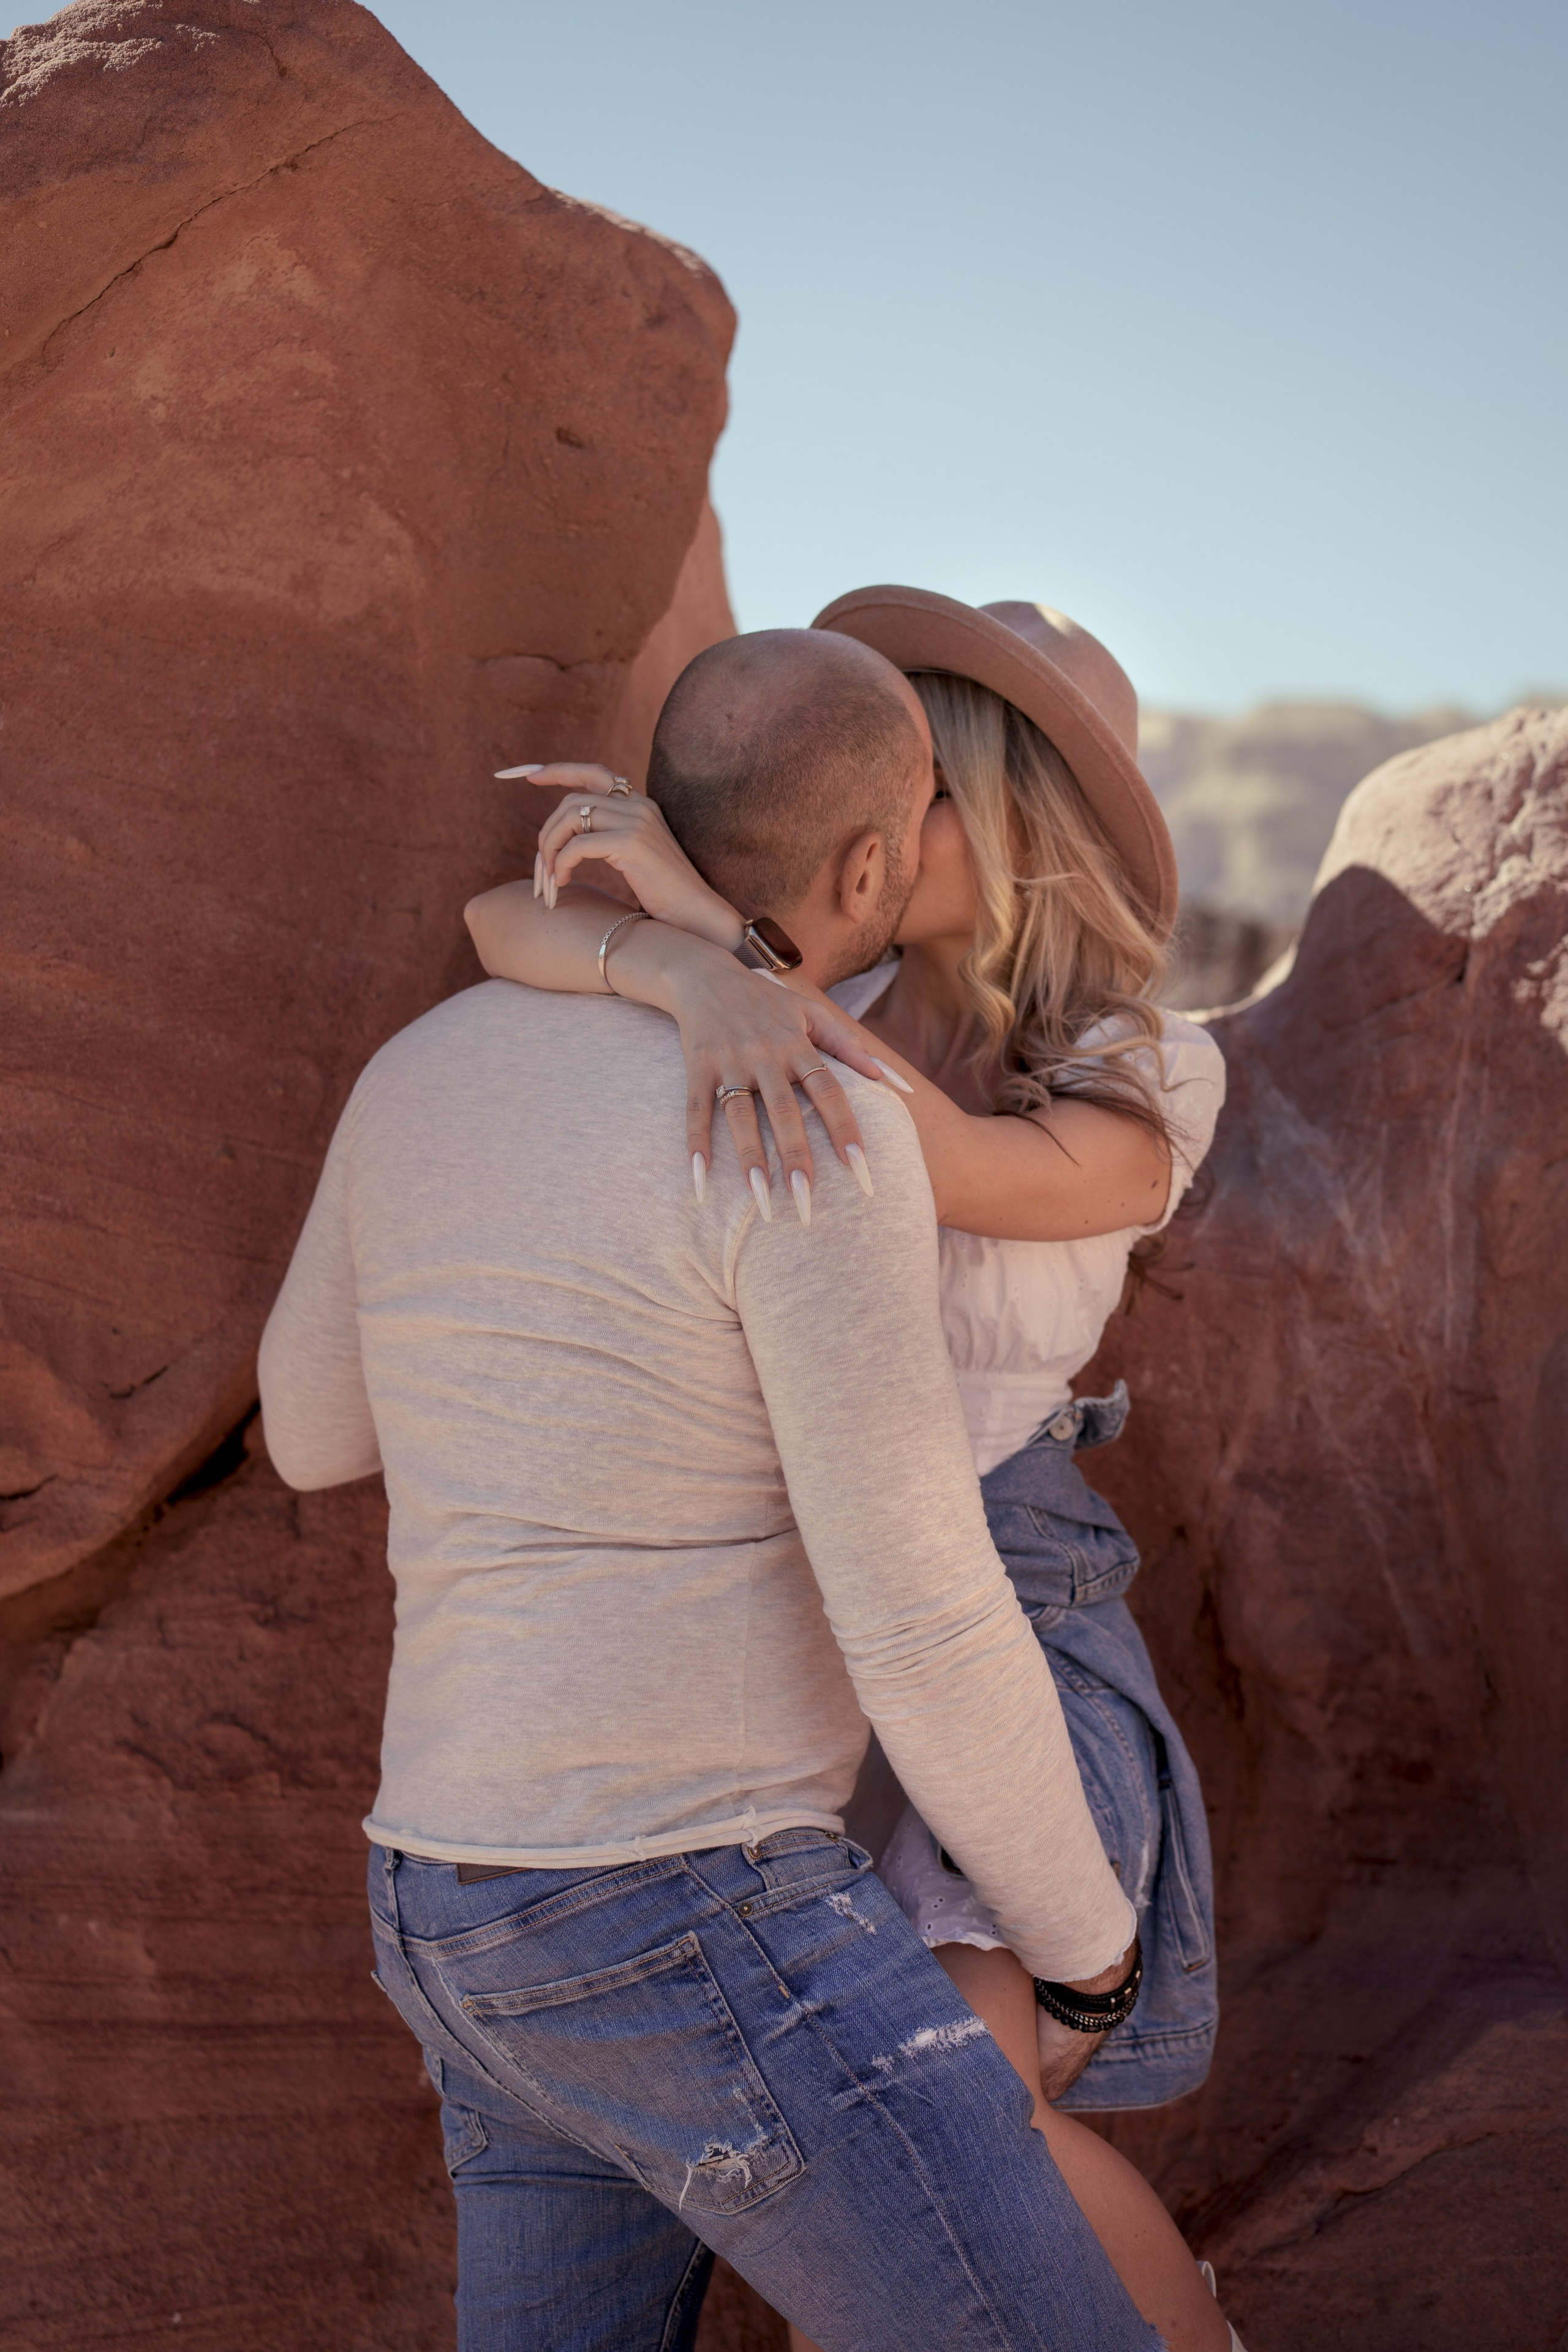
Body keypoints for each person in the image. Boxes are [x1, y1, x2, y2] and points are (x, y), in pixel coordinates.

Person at [257, 625, 1171, 2352]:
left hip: (446, 1901)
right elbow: (915, 1610)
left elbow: (313, 1434)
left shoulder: (420, 1071)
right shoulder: (812, 1123)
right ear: (871, 862)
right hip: (691, 1902)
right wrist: (1086, 1947)